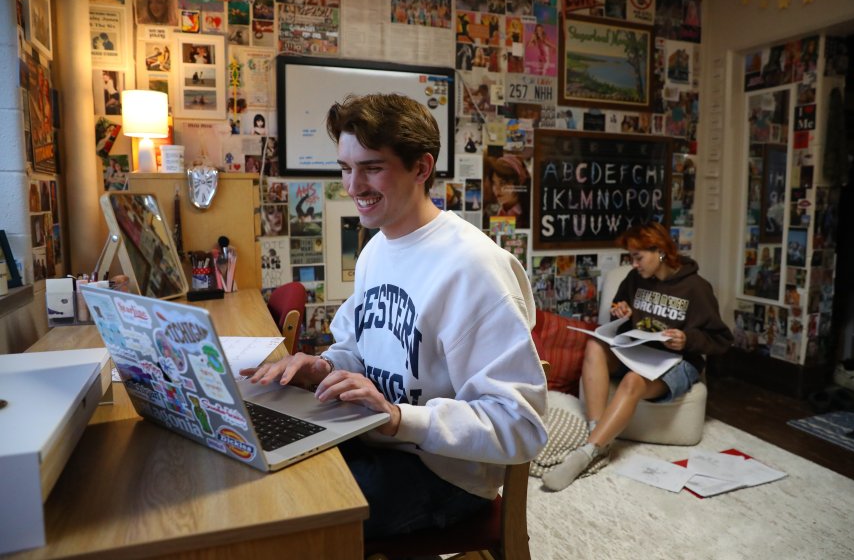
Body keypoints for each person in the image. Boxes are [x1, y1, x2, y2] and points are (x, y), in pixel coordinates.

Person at [242, 93, 548, 538]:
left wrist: (399, 418)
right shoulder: (375, 249)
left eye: (371, 167)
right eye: (346, 168)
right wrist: (324, 367)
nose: (353, 186)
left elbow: (520, 425)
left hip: (444, 474)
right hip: (373, 436)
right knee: (263, 471)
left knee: (296, 526)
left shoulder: (475, 268)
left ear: (421, 168)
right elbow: (359, 348)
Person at [542, 222, 733, 491]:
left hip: (676, 362)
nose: (634, 264)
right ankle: (598, 436)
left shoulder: (696, 288)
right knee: (595, 345)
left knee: (632, 381)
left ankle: (586, 453)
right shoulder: (635, 279)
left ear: (661, 252)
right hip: (639, 352)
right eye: (630, 257)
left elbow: (722, 340)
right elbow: (618, 316)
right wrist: (620, 314)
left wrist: (688, 339)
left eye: (638, 257)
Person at [486, 153, 530, 227]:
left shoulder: (528, 214)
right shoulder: (493, 212)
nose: (496, 189)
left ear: (519, 183)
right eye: (494, 183)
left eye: (503, 183)